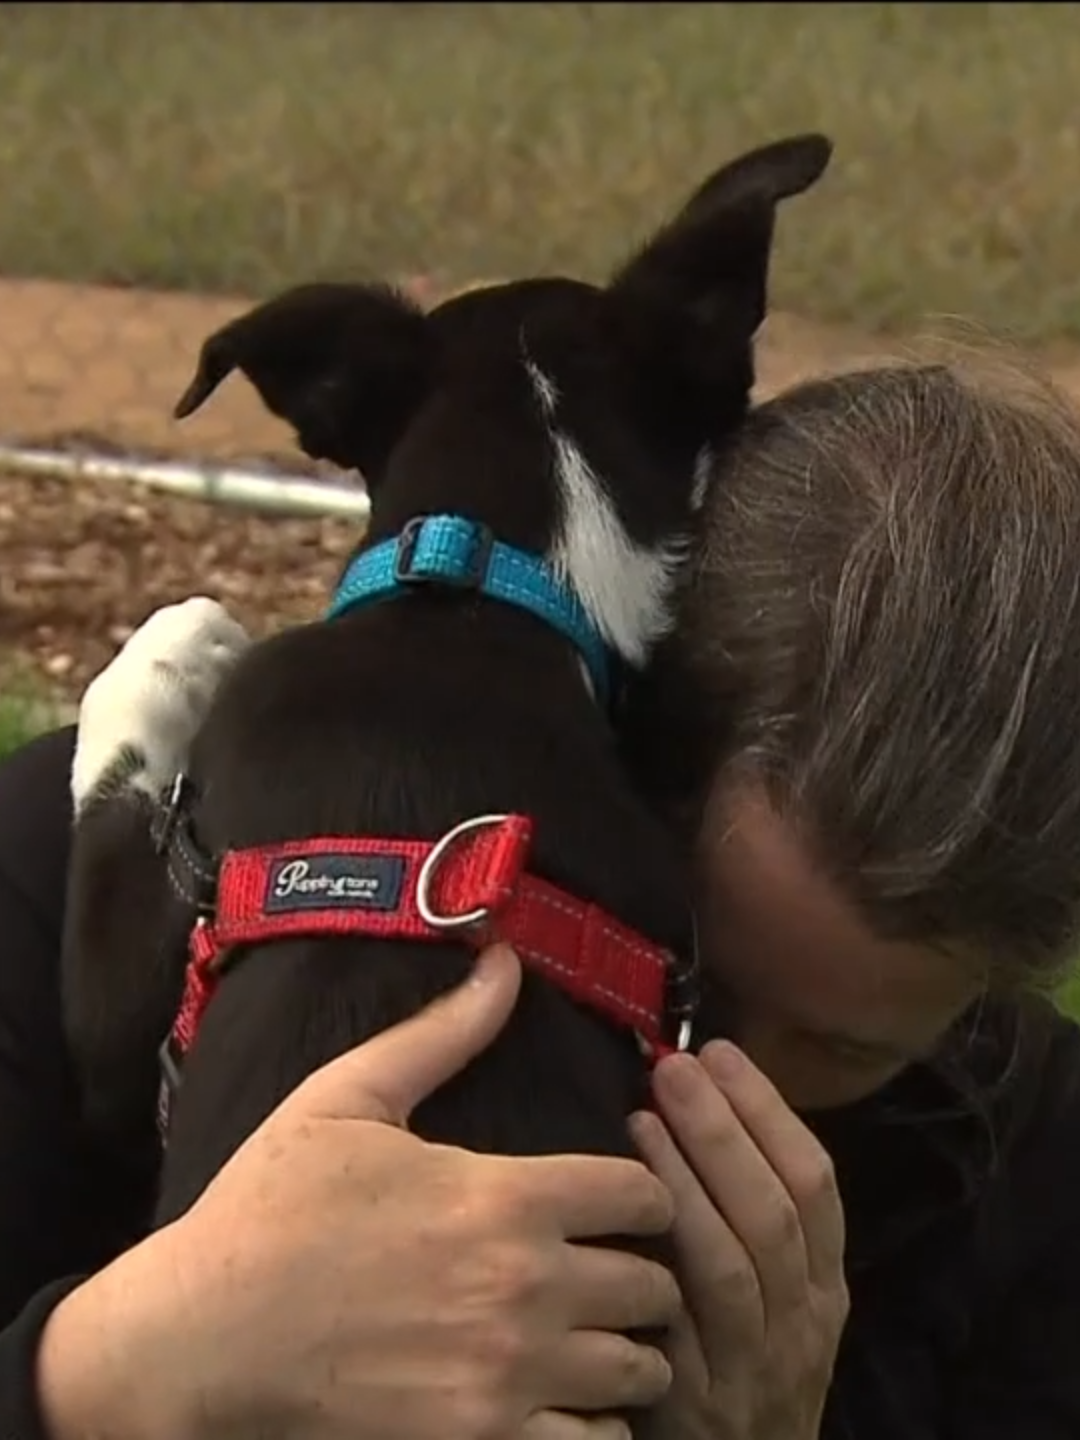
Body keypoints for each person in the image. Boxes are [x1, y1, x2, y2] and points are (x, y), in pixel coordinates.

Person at [4, 345, 1080, 1440]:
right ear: (596, 736)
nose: (693, 1078)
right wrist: (108, 1368)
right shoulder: (109, 875)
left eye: (838, 1052)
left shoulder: (1026, 1184)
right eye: (669, 962)